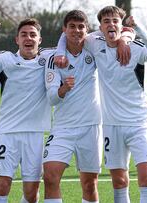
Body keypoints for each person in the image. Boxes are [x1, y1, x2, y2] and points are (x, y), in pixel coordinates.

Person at [55, 6, 147, 203]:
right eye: (106, 21)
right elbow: (70, 35)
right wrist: (61, 51)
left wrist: (134, 30)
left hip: (139, 124)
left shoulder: (136, 48)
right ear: (100, 27)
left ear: (122, 25)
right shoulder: (94, 43)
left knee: (146, 177)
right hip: (111, 125)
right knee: (119, 181)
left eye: (115, 21)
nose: (111, 24)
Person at [0, 17, 53, 203]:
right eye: (24, 34)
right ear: (17, 39)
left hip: (35, 135)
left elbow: (73, 43)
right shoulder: (5, 60)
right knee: (2, 185)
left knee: (32, 193)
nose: (28, 38)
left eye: (33, 35)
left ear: (39, 40)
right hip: (7, 134)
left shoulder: (48, 59)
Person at [43, 10, 102, 203]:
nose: (76, 30)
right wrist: (63, 89)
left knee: (89, 184)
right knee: (50, 177)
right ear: (64, 29)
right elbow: (52, 98)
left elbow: (118, 31)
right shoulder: (54, 58)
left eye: (81, 26)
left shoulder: (93, 49)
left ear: (87, 29)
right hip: (63, 127)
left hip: (91, 125)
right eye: (72, 26)